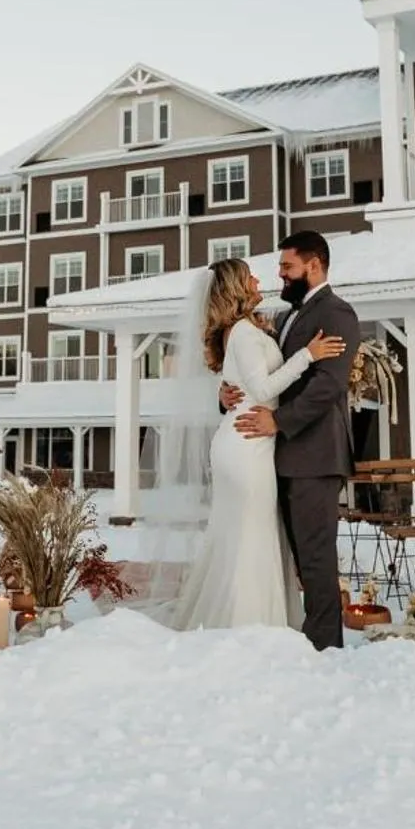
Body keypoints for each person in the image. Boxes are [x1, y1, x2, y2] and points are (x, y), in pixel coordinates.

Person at [168, 257, 344, 632]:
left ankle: (253, 623)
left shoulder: (247, 328)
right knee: (250, 537)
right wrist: (307, 356)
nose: (259, 279)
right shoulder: (244, 333)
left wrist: (226, 392)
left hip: (248, 440)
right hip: (248, 443)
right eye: (250, 276)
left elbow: (244, 382)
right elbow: (263, 389)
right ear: (237, 286)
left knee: (244, 534)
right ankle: (246, 628)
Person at [225, 231, 361, 650]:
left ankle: (324, 650)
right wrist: (226, 392)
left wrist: (279, 422)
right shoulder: (284, 319)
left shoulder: (338, 314)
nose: (279, 275)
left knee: (316, 558)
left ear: (314, 265)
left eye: (287, 267)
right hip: (278, 458)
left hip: (316, 456)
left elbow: (328, 385)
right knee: (294, 560)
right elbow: (264, 378)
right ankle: (298, 642)